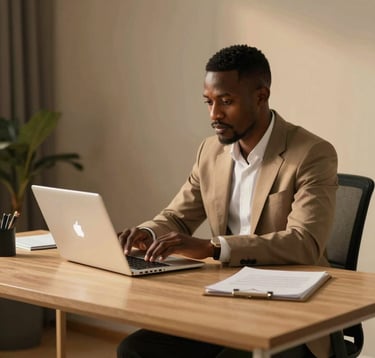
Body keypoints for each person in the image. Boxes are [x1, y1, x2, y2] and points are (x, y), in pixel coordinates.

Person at [117, 44, 338, 358]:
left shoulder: (311, 153)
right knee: (135, 350)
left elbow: (304, 243)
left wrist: (213, 247)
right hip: (222, 303)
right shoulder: (210, 152)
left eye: (227, 102)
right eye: (208, 102)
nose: (214, 114)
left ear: (261, 96)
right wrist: (147, 233)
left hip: (292, 312)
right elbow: (178, 217)